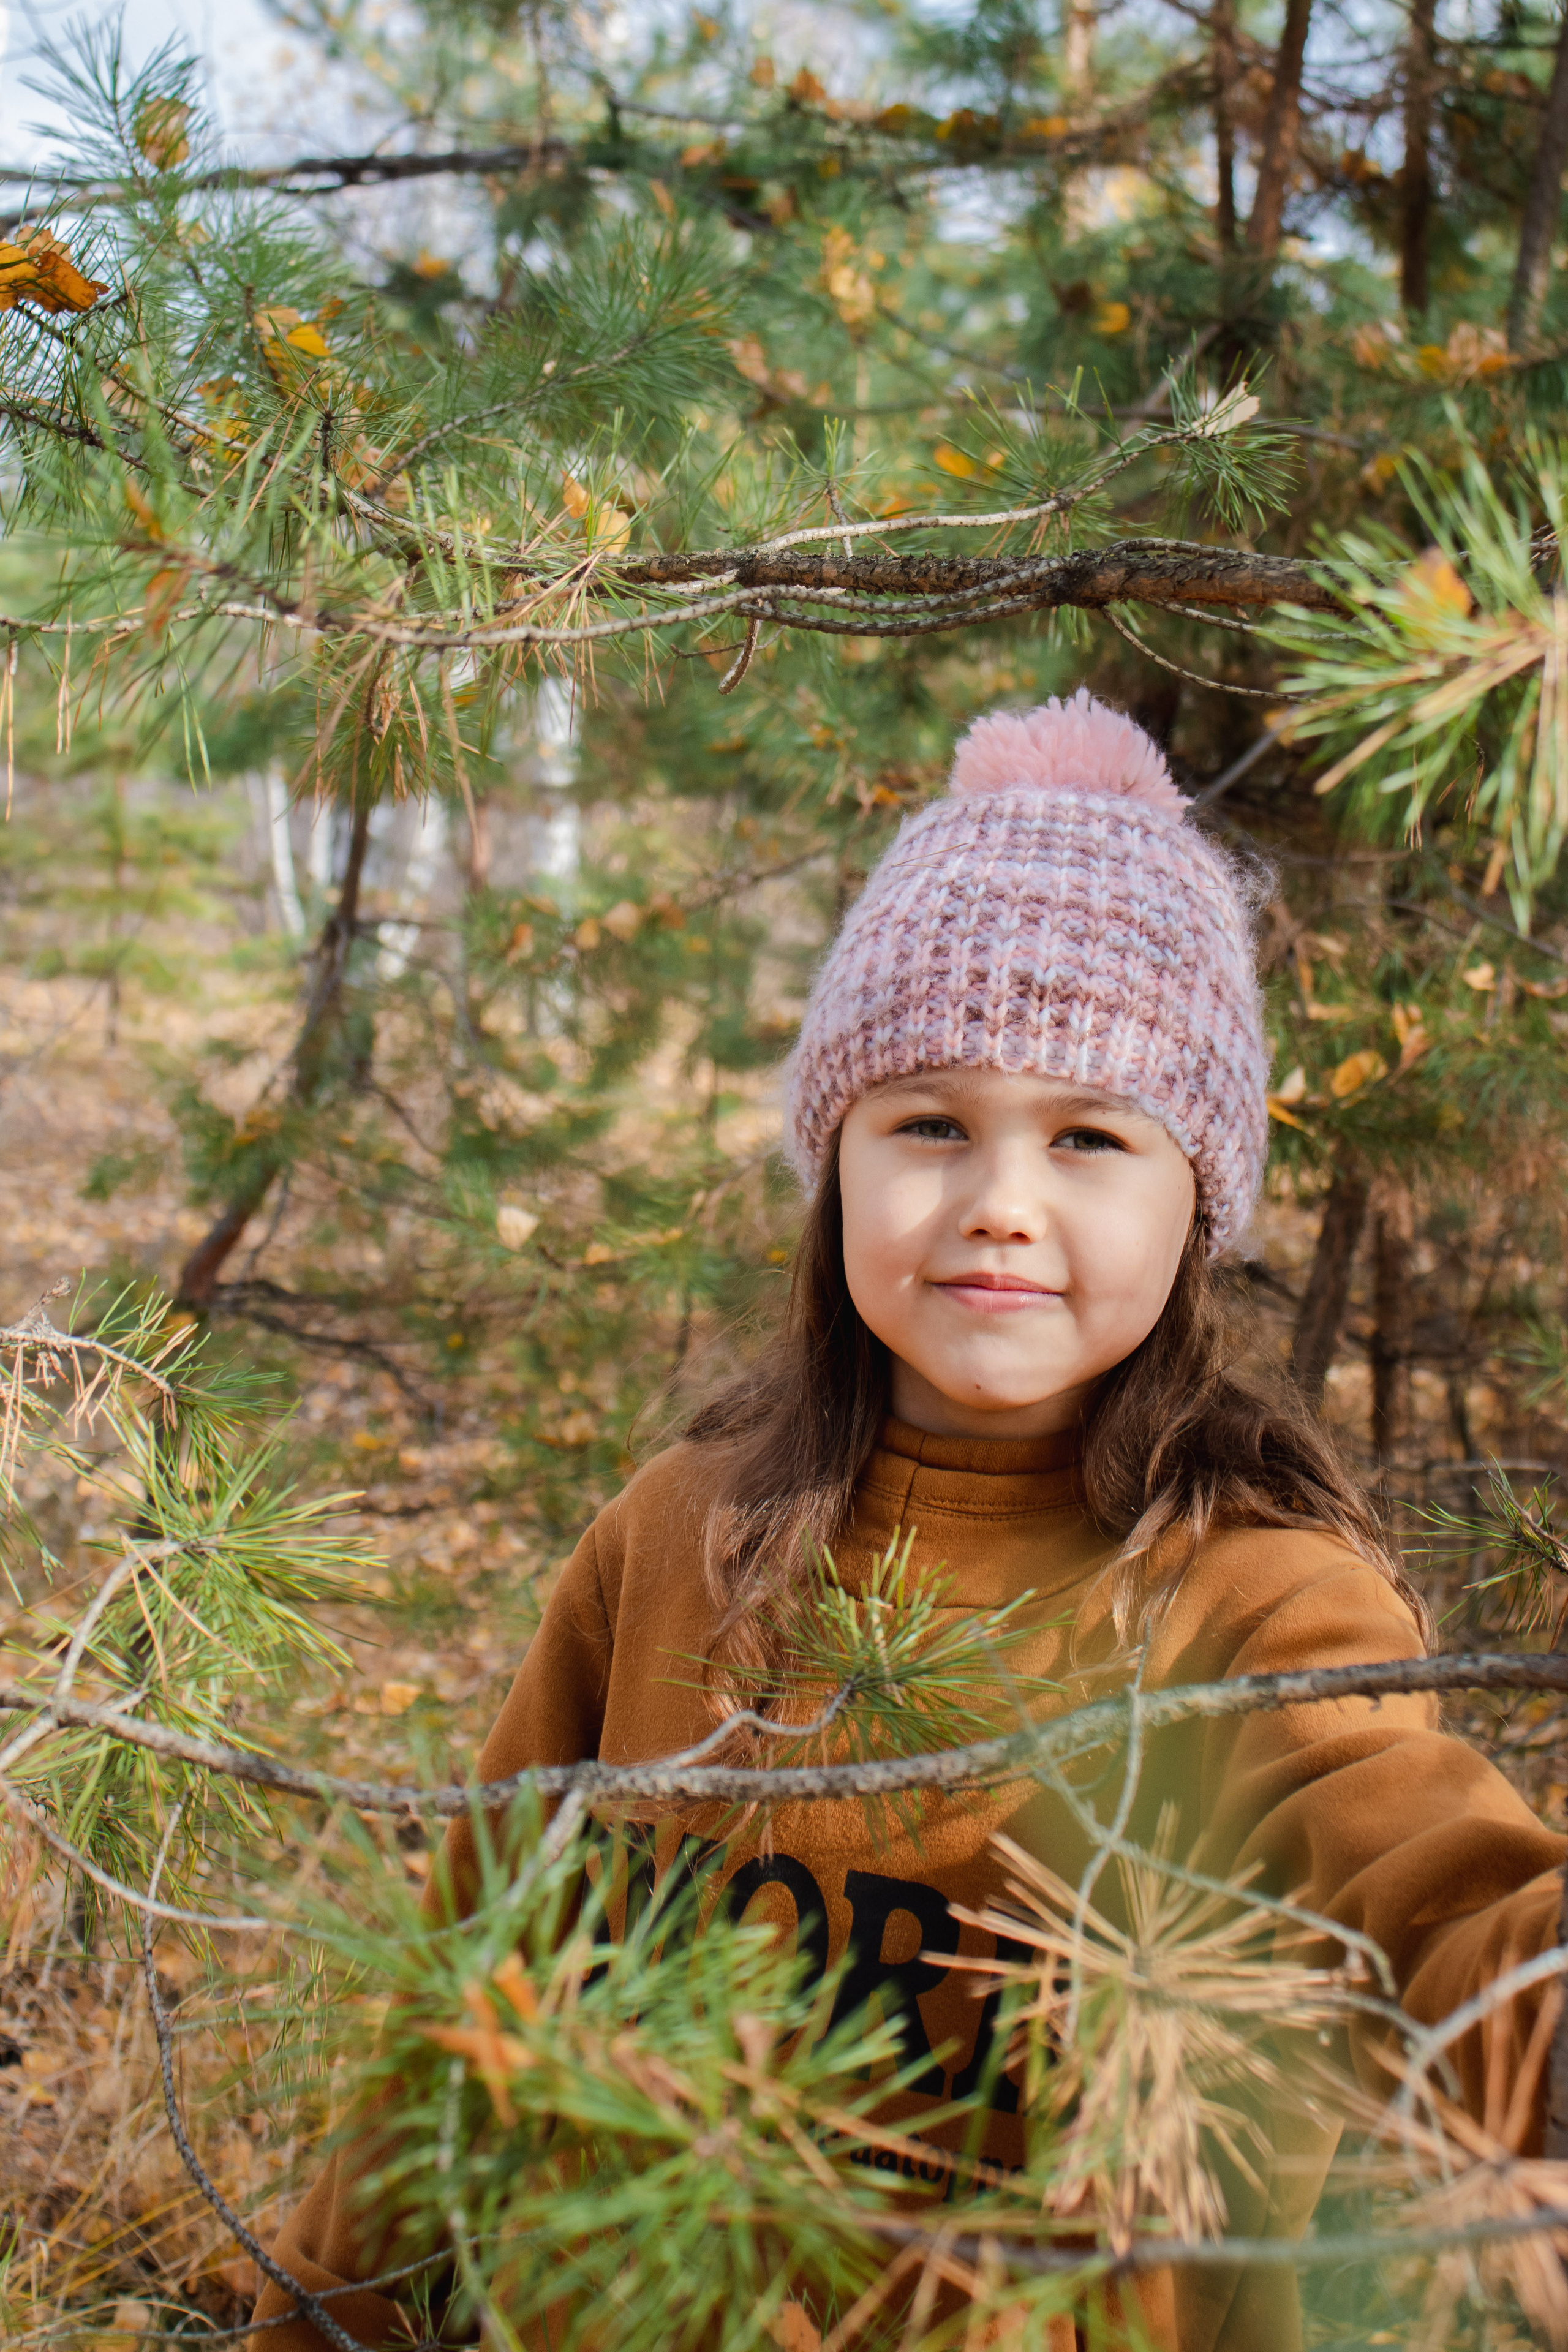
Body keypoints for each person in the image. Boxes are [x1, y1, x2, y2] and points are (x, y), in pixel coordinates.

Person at [253, 692, 1566, 2352]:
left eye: (1089, 1137)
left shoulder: (1261, 1601)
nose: (1001, 1202)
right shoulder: (675, 1542)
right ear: (839, 1161)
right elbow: (472, 1968)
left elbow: (1434, 1873)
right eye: (930, 1123)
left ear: (1198, 1201)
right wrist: (316, 2316)